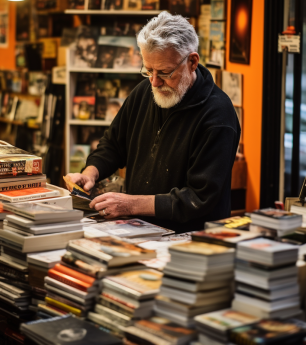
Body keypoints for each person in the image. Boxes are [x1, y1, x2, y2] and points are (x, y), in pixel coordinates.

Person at [65, 12, 240, 233]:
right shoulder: (144, 92)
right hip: (139, 230)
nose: (155, 82)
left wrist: (130, 204)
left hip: (193, 241)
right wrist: (90, 173)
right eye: (148, 70)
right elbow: (113, 144)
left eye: (165, 72)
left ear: (192, 62)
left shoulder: (218, 116)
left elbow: (199, 198)